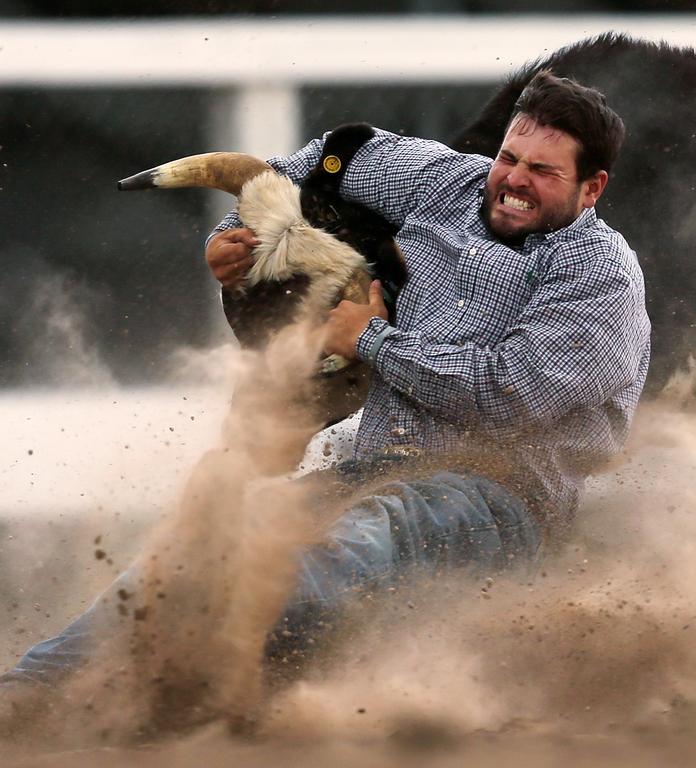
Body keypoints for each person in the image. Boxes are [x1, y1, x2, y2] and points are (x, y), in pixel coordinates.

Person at [0, 71, 650, 715]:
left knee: (350, 544)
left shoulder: (599, 274)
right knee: (210, 539)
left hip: (501, 501)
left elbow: (512, 391)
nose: (512, 180)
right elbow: (304, 168)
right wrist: (233, 239)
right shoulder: (443, 180)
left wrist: (369, 340)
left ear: (593, 188)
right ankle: (32, 688)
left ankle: (219, 683)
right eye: (509, 157)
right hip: (375, 472)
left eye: (543, 171)